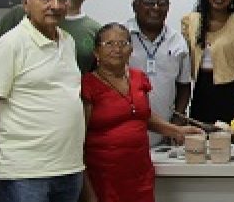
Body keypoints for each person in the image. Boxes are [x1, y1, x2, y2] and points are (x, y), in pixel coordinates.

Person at [0, 0, 85, 202]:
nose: (55, 5)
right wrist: (1, 148)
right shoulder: (10, 45)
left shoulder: (68, 42)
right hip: (25, 173)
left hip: (68, 168)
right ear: (26, 4)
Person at [81, 23, 201, 202]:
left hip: (140, 174)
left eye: (123, 43)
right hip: (104, 177)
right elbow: (77, 143)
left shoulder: (139, 78)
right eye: (109, 44)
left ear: (131, 50)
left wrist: (177, 131)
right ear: (96, 52)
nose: (117, 49)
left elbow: (142, 115)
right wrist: (88, 193)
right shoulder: (88, 85)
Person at [125, 0, 192, 146]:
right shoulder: (121, 36)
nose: (156, 8)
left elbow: (184, 85)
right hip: (126, 126)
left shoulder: (177, 41)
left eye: (162, 3)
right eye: (149, 2)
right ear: (135, 5)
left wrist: (176, 122)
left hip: (165, 130)